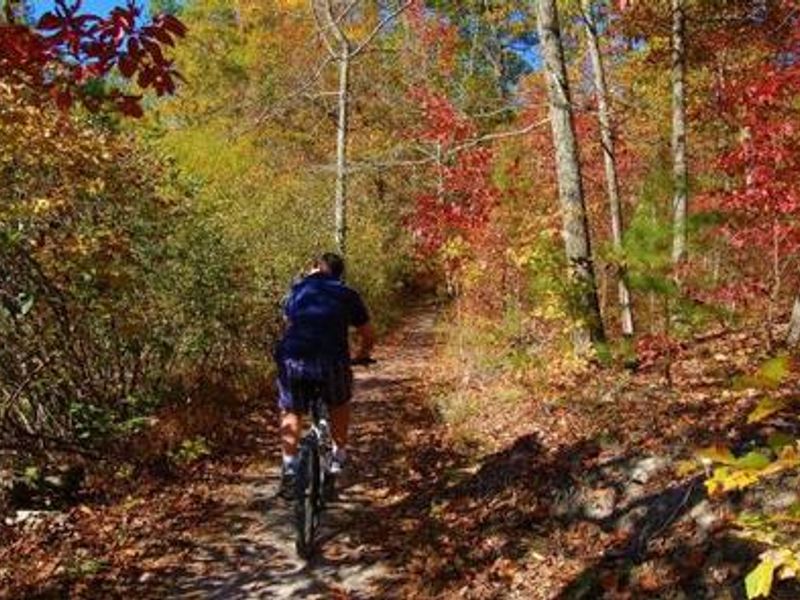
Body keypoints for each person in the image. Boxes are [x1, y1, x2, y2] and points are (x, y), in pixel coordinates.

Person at [275, 252, 375, 496]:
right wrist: (362, 354)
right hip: (332, 361)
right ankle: (338, 459)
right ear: (339, 273)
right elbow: (368, 334)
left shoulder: (297, 290)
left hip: (293, 359)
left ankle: (289, 469)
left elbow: (290, 321)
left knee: (292, 409)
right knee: (339, 402)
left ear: (315, 269)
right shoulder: (347, 294)